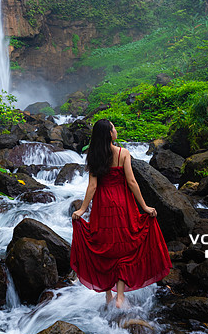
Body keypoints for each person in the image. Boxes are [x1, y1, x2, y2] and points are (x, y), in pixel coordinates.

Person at [70, 119, 172, 308]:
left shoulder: (94, 156)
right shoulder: (123, 153)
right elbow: (132, 182)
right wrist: (145, 207)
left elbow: (92, 186)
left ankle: (108, 294)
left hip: (103, 205)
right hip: (123, 203)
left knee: (104, 245)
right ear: (109, 133)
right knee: (125, 247)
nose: (116, 130)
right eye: (113, 128)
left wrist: (83, 209)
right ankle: (120, 297)